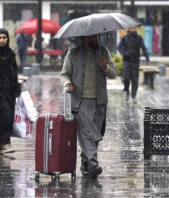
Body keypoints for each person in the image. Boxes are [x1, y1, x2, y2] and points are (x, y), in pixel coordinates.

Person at [60, 34, 117, 179]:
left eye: (98, 36)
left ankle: (85, 164)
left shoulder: (103, 52)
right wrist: (67, 84)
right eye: (94, 37)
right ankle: (93, 164)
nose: (97, 39)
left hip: (100, 101)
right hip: (80, 101)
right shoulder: (73, 53)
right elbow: (64, 74)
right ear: (85, 37)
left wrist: (105, 66)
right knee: (86, 133)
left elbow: (114, 73)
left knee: (95, 135)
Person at [117, 26, 150, 103]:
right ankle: (127, 92)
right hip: (126, 61)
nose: (133, 30)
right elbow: (118, 47)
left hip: (135, 61)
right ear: (129, 29)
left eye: (134, 28)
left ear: (136, 29)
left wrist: (147, 58)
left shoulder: (139, 38)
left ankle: (134, 96)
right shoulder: (124, 37)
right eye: (131, 28)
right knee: (126, 78)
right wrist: (124, 53)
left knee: (135, 79)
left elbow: (144, 48)